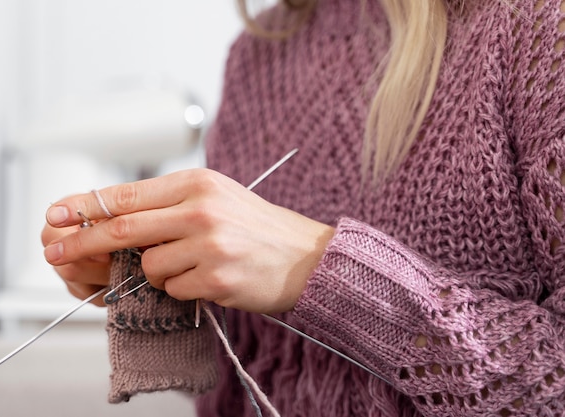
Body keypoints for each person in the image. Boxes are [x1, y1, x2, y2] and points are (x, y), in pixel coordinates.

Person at [41, 0, 565, 415]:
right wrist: (166, 290)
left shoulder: (540, 29)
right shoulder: (258, 56)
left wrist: (315, 270)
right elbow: (257, 382)